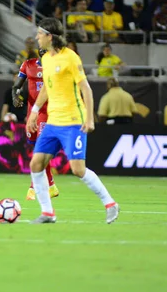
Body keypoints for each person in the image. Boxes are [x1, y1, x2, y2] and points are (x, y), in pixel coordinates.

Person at [26, 18, 119, 224]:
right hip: (52, 122)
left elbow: (86, 88)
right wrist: (34, 111)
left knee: (78, 169)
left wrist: (89, 118)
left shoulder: (71, 58)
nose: (37, 38)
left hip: (72, 122)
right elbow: (47, 88)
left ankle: (110, 204)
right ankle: (47, 213)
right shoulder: (47, 59)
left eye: (40, 34)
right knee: (36, 164)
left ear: (50, 36)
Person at [12, 47, 60, 200]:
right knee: (35, 146)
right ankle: (51, 185)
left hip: (47, 113)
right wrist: (15, 96)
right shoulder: (28, 65)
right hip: (32, 113)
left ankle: (34, 187)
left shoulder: (55, 67)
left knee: (41, 148)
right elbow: (16, 86)